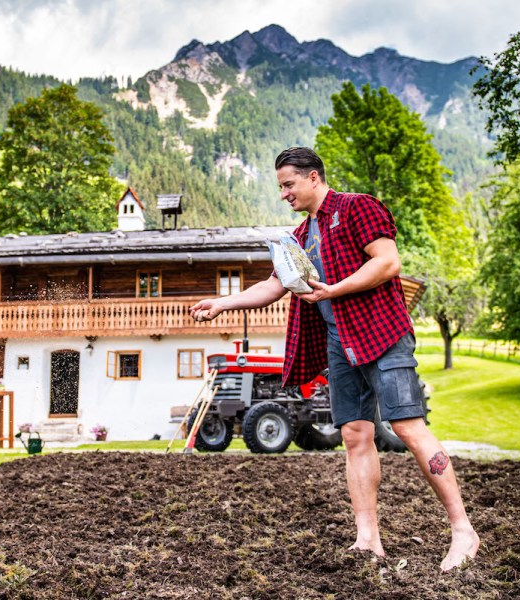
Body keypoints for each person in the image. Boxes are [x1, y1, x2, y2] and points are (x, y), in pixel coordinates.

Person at [190, 147, 479, 572]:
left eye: (288, 184)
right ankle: (368, 540)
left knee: (407, 427)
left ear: (313, 178)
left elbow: (388, 263)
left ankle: (463, 531)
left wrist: (334, 289)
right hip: (340, 345)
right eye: (280, 187)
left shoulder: (358, 208)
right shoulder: (299, 237)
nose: (284, 193)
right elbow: (273, 287)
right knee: (355, 437)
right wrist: (222, 302)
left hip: (382, 334)